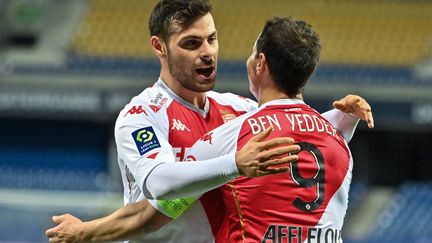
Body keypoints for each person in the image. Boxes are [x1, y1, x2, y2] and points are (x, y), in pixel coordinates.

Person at [46, 1, 374, 242]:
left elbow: (294, 133)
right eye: (192, 43)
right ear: (159, 46)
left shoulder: (240, 109)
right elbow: (158, 185)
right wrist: (235, 164)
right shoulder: (142, 115)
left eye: (212, 39)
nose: (208, 53)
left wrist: (339, 118)